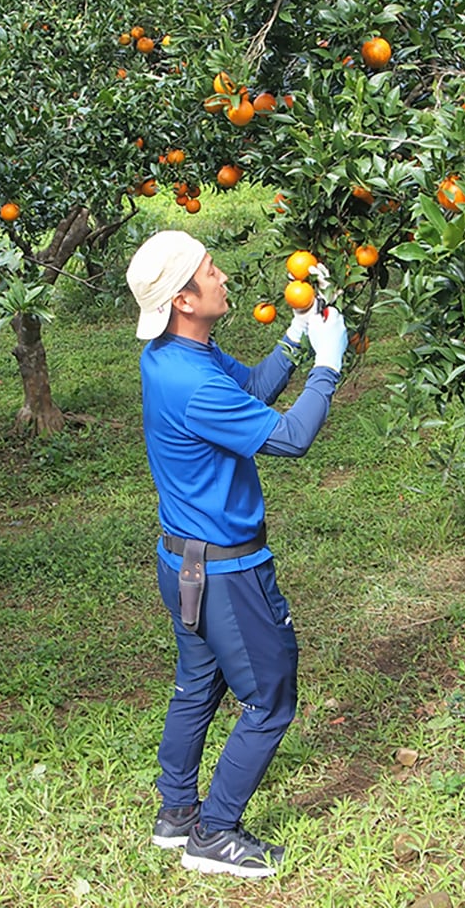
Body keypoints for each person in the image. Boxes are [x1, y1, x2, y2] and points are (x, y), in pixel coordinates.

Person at [126, 228, 347, 878]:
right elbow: (288, 438)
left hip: (183, 561)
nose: (223, 277)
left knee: (198, 685)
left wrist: (296, 337)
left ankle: (175, 815)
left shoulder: (173, 354)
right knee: (271, 698)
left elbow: (250, 388)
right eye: (211, 271)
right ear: (184, 300)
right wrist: (328, 367)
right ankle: (214, 834)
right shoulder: (192, 383)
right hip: (227, 572)